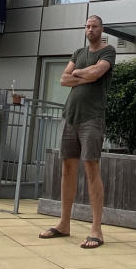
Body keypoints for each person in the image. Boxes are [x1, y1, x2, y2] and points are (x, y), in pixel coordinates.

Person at [39, 14, 115, 249]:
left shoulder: (108, 50)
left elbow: (96, 74)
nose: (90, 29)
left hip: (92, 117)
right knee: (67, 168)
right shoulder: (78, 53)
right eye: (87, 26)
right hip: (70, 116)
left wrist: (80, 74)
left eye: (94, 26)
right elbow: (63, 80)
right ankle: (64, 224)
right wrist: (85, 73)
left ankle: (96, 230)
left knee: (91, 167)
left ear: (101, 29)